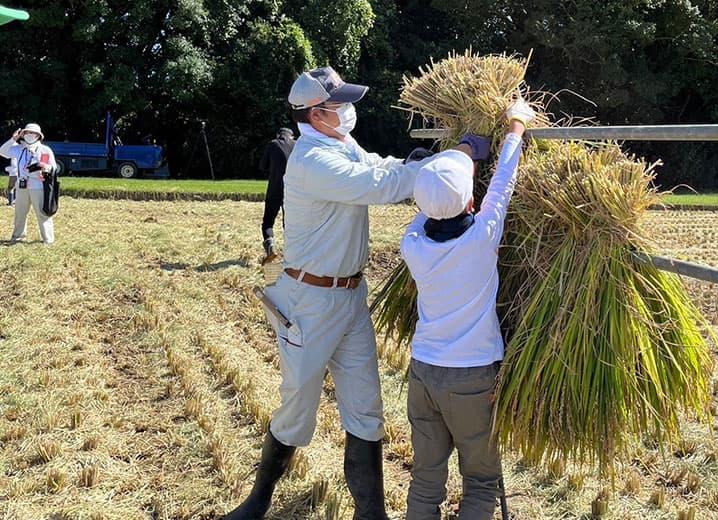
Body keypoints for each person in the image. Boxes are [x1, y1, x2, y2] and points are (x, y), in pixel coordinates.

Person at [223, 66, 482, 520]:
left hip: (350, 297)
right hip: (310, 303)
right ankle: (258, 500)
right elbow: (377, 186)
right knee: (297, 408)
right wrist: (452, 160)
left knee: (366, 409)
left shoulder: (339, 143)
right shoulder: (312, 160)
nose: (349, 110)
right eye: (340, 103)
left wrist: (413, 163)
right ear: (317, 113)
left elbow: (378, 167)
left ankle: (371, 514)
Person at [400, 97, 535, 520]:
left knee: (425, 484)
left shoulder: (413, 244)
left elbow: (431, 207)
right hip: (471, 379)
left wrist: (458, 155)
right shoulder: (482, 238)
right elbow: (503, 183)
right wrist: (516, 125)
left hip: (423, 374)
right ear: (471, 202)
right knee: (479, 485)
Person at [0, 123, 58, 244]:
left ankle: (48, 239)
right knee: (20, 213)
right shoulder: (19, 149)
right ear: (23, 134)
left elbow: (54, 168)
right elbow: (2, 151)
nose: (30, 135)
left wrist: (43, 167)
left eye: (33, 133)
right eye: (27, 133)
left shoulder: (45, 150)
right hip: (21, 186)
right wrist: (13, 139)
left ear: (38, 135)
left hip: (38, 186)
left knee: (42, 214)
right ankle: (17, 237)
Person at [259, 127, 295, 263]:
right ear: (291, 136)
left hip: (275, 188)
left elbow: (262, 166)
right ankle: (291, 254)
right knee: (290, 223)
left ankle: (271, 247)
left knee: (268, 221)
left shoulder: (272, 144)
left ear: (278, 135)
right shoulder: (297, 146)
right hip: (292, 190)